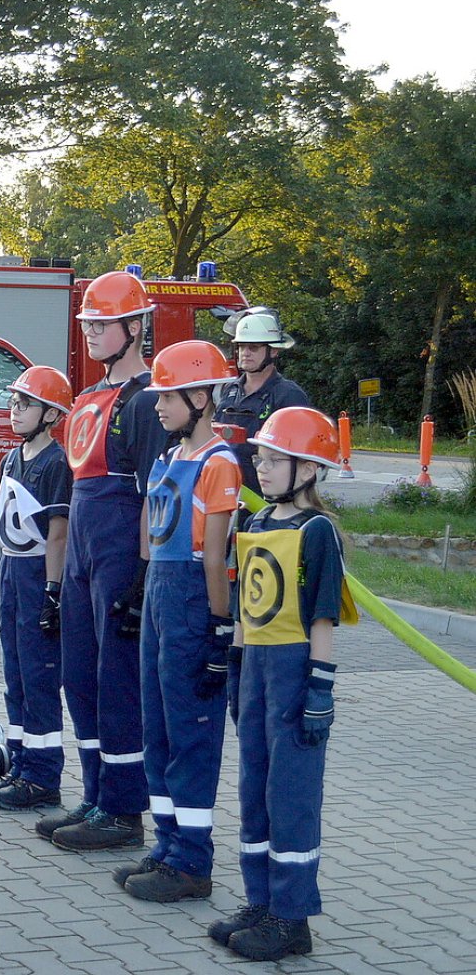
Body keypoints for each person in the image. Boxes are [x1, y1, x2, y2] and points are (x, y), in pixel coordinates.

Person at [41, 271, 171, 855]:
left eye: (102, 324)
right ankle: (95, 794)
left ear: (135, 327)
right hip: (82, 553)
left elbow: (153, 493)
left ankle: (123, 808)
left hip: (120, 547)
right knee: (79, 675)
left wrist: (144, 577)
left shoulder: (145, 400)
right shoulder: (88, 396)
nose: (90, 332)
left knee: (118, 681)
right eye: (87, 323)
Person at [215, 406, 350, 961]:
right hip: (258, 673)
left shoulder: (318, 532)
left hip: (296, 673)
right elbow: (249, 602)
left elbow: (321, 617)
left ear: (309, 469)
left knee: (290, 794)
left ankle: (292, 919)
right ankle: (261, 901)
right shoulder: (255, 522)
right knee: (254, 786)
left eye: (274, 461)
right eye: (261, 459)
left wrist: (321, 687)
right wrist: (236, 666)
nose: (262, 470)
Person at [118, 340, 239, 904]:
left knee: (191, 732)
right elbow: (152, 533)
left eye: (169, 397)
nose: (159, 406)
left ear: (201, 397)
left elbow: (215, 558)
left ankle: (193, 862)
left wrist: (220, 628)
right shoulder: (168, 459)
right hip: (163, 596)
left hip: (194, 598)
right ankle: (168, 846)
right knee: (158, 727)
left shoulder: (219, 463)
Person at [0, 365, 72, 813]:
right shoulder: (13, 457)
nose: (14, 411)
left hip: (37, 576)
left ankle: (42, 775)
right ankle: (18, 764)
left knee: (37, 676)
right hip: (11, 575)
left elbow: (58, 533)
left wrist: (53, 590)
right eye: (13, 402)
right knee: (14, 672)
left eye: (25, 404)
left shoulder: (57, 463)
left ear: (51, 414)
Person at [215, 307, 311, 497]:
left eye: (254, 347)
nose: (245, 353)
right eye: (241, 346)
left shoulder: (289, 396)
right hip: (227, 495)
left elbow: (299, 457)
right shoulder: (229, 391)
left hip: (267, 498)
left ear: (273, 350)